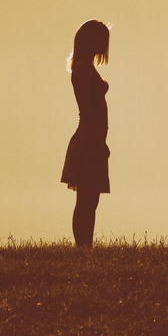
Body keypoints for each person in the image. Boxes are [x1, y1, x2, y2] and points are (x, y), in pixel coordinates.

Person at [61, 20, 111, 247]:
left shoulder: (88, 67)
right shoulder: (82, 68)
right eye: (101, 38)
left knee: (91, 199)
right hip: (88, 138)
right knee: (86, 199)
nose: (105, 43)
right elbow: (85, 110)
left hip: (94, 137)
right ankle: (83, 247)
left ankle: (85, 246)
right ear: (90, 39)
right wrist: (96, 141)